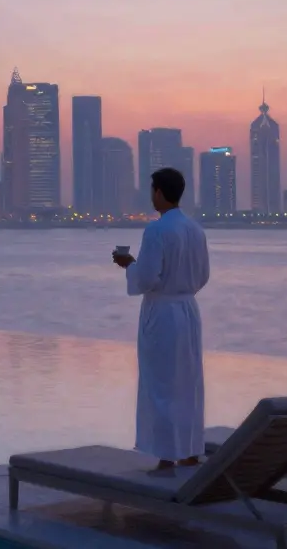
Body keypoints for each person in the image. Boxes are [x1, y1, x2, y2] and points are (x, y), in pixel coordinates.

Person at [113, 167, 210, 471]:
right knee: (189, 382)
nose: (151, 195)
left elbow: (147, 278)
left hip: (163, 313)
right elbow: (203, 275)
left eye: (152, 189)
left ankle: (166, 455)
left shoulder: (156, 230)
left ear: (159, 191)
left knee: (162, 383)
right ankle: (191, 450)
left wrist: (129, 265)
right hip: (189, 310)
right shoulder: (195, 229)